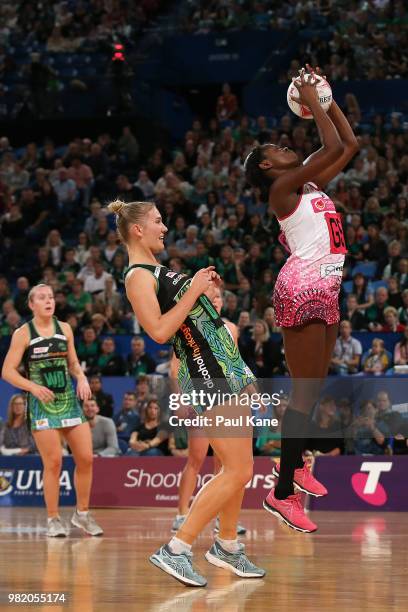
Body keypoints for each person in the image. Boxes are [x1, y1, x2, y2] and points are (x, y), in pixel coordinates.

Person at [107, 198, 265, 587]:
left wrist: (200, 289)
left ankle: (227, 545)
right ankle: (176, 549)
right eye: (158, 222)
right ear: (138, 229)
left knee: (238, 471)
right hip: (206, 371)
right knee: (238, 470)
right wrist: (194, 290)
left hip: (226, 367)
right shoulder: (137, 276)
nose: (165, 227)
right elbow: (159, 332)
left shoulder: (158, 270)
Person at [244, 64, 359, 532]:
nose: (285, 145)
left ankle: (296, 465)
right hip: (303, 288)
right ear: (267, 167)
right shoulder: (281, 189)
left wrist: (326, 102)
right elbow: (331, 145)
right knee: (304, 393)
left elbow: (348, 146)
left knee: (312, 390)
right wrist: (313, 99)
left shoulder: (308, 185)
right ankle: (282, 491)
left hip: (326, 289)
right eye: (276, 148)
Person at [1, 284, 103, 537]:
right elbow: (7, 371)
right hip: (42, 403)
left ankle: (82, 514)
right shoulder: (23, 333)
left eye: (51, 297)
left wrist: (81, 378)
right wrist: (32, 388)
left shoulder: (65, 328)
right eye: (42, 298)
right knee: (54, 463)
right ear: (31, 304)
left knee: (86, 458)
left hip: (67, 399)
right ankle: (53, 519)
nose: (48, 301)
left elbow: (73, 362)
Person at [170, 286, 247, 537]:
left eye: (219, 297)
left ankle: (221, 517)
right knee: (196, 458)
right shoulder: (188, 326)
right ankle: (182, 514)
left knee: (225, 464)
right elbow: (175, 368)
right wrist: (181, 398)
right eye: (210, 298)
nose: (215, 301)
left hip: (227, 399)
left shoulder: (231, 328)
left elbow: (236, 364)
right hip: (200, 397)